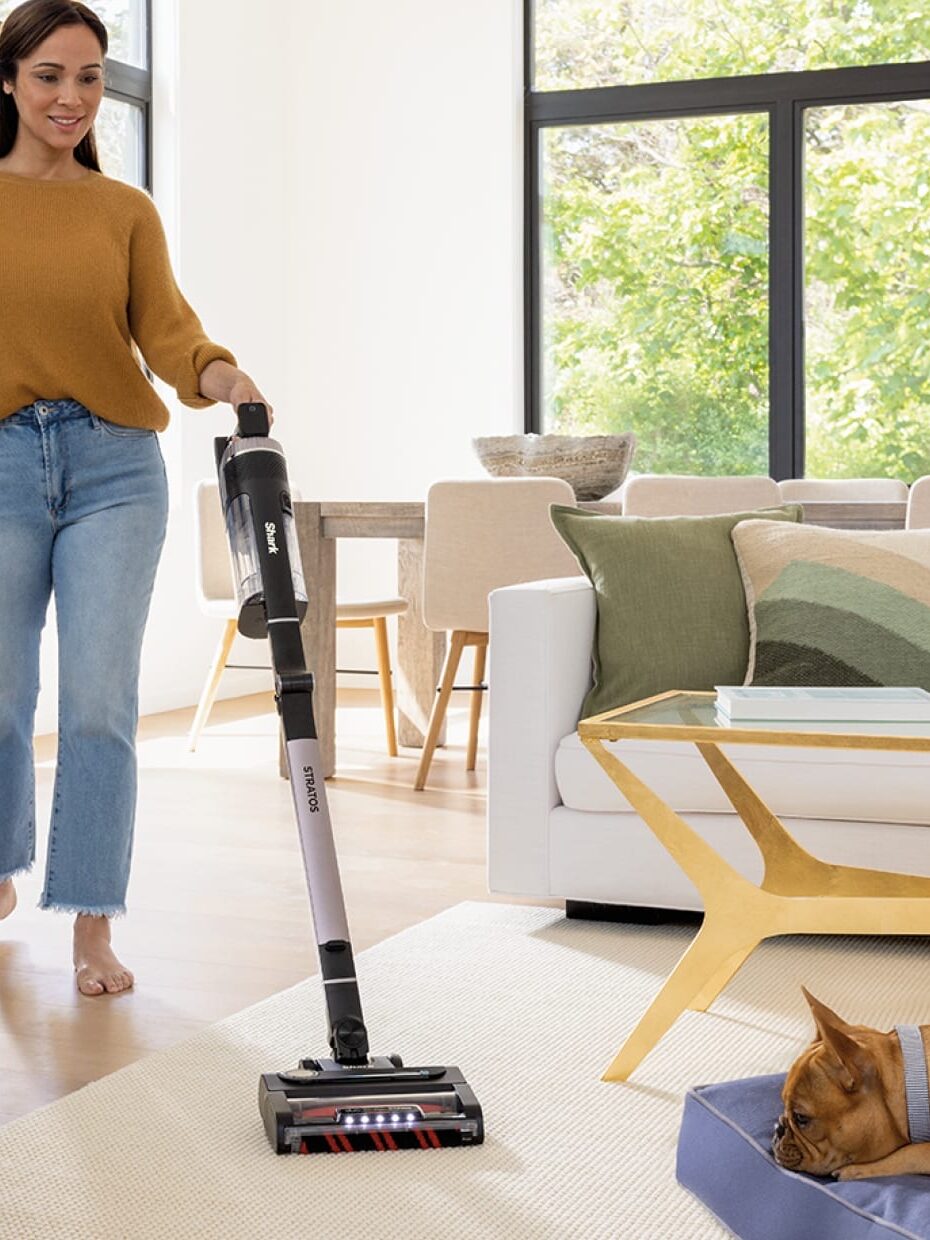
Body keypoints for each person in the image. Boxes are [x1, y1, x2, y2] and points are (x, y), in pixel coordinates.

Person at [0, 0, 271, 996]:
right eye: (49, 77)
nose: (71, 97)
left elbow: (168, 333)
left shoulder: (125, 212)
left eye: (88, 77)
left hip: (116, 466)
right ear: (9, 84)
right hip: (1, 468)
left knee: (100, 703)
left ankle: (91, 924)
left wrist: (218, 375)